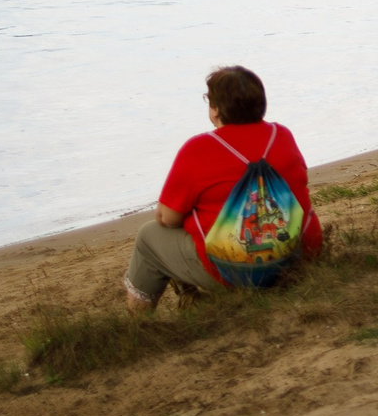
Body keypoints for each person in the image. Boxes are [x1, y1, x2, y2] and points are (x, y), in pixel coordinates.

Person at [126, 66, 324, 314]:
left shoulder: (198, 149)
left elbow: (167, 218)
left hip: (240, 271)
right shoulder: (281, 135)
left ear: (216, 109)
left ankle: (137, 324)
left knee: (149, 236)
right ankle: (190, 299)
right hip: (300, 254)